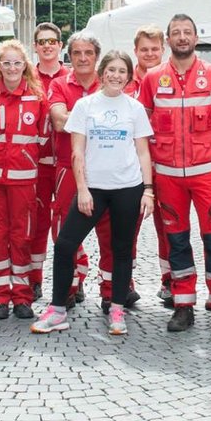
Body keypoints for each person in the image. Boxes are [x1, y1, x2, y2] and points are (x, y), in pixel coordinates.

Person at [33, 51, 154, 336]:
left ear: (128, 76)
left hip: (128, 187)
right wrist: (83, 189)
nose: (116, 76)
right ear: (102, 73)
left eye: (122, 71)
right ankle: (58, 310)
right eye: (111, 70)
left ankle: (117, 309)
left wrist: (148, 190)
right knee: (65, 244)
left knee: (122, 250)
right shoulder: (85, 106)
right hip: (94, 189)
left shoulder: (134, 108)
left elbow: (143, 152)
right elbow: (76, 151)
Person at [138, 14, 211, 335]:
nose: (182, 37)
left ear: (196, 38)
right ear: (168, 40)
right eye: (176, 33)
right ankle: (183, 304)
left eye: (187, 32)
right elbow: (144, 124)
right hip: (167, 176)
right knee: (176, 240)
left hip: (206, 174)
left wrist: (207, 143)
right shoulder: (152, 78)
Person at [0, 39, 49, 319]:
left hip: (23, 179)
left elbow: (42, 138)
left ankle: (21, 296)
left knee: (21, 237)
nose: (11, 68)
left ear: (25, 66)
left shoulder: (37, 98)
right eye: (6, 63)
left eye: (17, 63)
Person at [47, 32, 102, 304]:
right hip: (68, 167)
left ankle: (113, 290)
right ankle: (71, 284)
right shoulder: (59, 84)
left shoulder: (109, 81)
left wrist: (75, 117)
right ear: (70, 55)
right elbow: (59, 122)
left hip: (105, 170)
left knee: (111, 229)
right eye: (77, 53)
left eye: (88, 53)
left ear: (96, 56)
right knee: (64, 229)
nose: (82, 58)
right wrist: (100, 120)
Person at [124, 25, 171, 301]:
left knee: (169, 228)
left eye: (155, 49)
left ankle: (170, 280)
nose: (150, 54)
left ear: (162, 50)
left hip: (164, 164)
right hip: (130, 168)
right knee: (127, 227)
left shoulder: (171, 80)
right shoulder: (123, 82)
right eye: (144, 49)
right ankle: (125, 281)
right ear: (136, 51)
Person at [28, 22, 69, 299]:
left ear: (60, 45)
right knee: (38, 221)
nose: (47, 46)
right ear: (35, 46)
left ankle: (73, 279)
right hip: (38, 163)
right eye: (42, 42)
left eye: (52, 41)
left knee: (68, 221)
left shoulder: (71, 76)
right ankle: (34, 277)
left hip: (67, 160)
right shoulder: (26, 76)